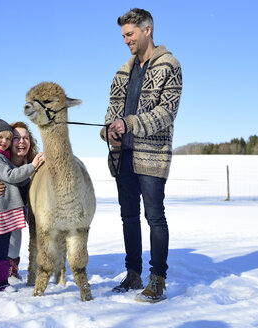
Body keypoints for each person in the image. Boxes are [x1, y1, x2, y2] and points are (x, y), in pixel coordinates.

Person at [101, 8, 182, 302]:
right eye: (123, 35)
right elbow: (111, 112)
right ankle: (133, 275)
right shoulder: (122, 72)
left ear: (147, 30)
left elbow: (166, 113)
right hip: (123, 155)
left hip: (152, 155)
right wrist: (108, 129)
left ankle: (157, 280)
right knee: (128, 217)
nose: (126, 40)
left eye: (130, 34)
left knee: (155, 217)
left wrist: (131, 123)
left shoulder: (169, 65)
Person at [0, 118, 44, 293]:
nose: (5, 141)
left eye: (8, 138)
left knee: (3, 245)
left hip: (9, 211)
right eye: (1, 137)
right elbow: (10, 175)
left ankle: (1, 280)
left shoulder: (7, 159)